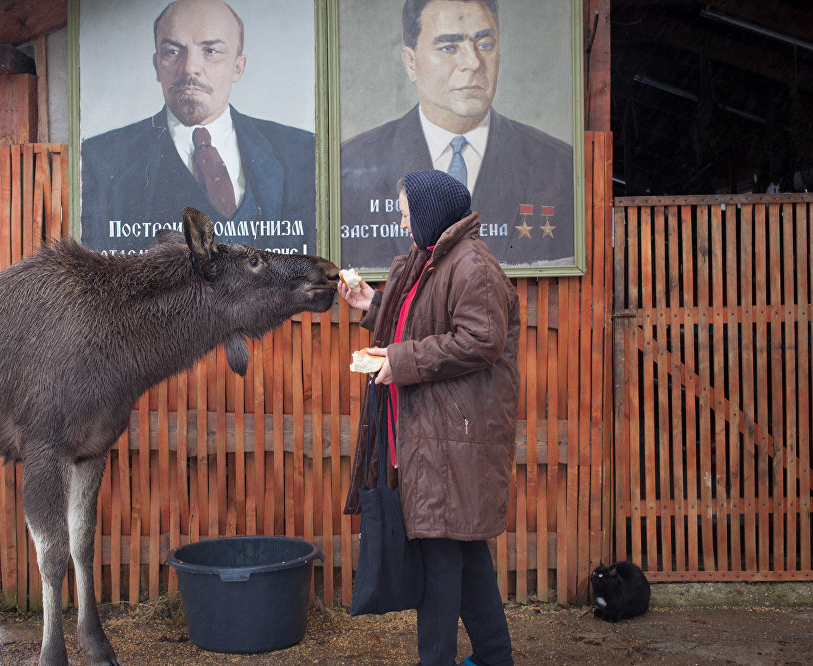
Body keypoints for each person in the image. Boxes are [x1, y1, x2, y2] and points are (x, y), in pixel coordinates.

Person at [340, 169, 519, 665]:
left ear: (429, 214)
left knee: (441, 564)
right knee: (467, 558)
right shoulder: (433, 262)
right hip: (436, 438)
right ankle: (495, 658)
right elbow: (419, 325)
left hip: (454, 440)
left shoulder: (473, 267)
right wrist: (372, 304)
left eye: (405, 213)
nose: (401, 221)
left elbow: (482, 340)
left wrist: (397, 362)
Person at [340, 0, 574, 269]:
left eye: (485, 44)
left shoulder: (558, 165)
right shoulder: (351, 162)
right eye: (448, 47)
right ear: (411, 62)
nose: (473, 63)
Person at [81, 0, 316, 253]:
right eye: (172, 51)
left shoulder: (301, 151)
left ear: (238, 67)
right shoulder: (99, 159)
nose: (190, 68)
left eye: (211, 51)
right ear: (157, 65)